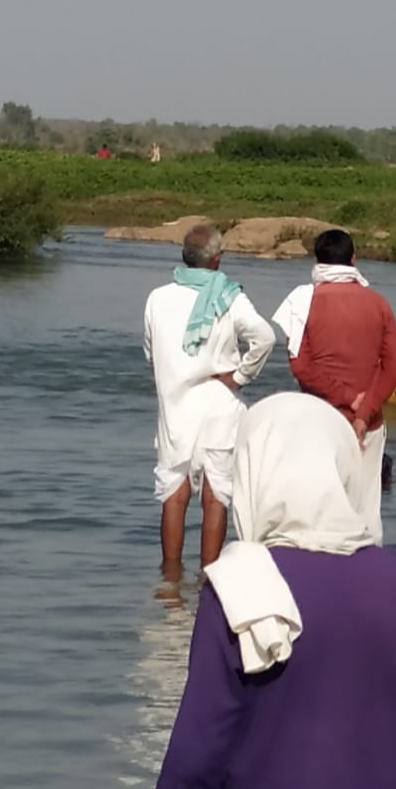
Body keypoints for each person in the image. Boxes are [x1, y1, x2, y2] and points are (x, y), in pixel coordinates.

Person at [147, 392, 396, 789]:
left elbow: (193, 766)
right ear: (343, 471)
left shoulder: (240, 588)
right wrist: (377, 719)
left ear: (254, 469)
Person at [144, 223, 275, 570]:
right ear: (217, 260)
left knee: (174, 493)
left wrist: (173, 372)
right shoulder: (230, 297)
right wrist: (241, 376)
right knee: (215, 496)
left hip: (174, 406)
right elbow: (265, 337)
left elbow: (150, 352)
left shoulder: (158, 297)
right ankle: (210, 579)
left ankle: (170, 583)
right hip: (219, 403)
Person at [271, 229, 396, 545]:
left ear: (317, 261)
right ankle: (366, 581)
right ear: (353, 260)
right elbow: (393, 368)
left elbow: (301, 368)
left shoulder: (304, 303)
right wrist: (363, 411)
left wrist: (347, 400)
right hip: (368, 424)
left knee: (317, 507)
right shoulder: (378, 304)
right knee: (366, 511)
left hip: (320, 419)